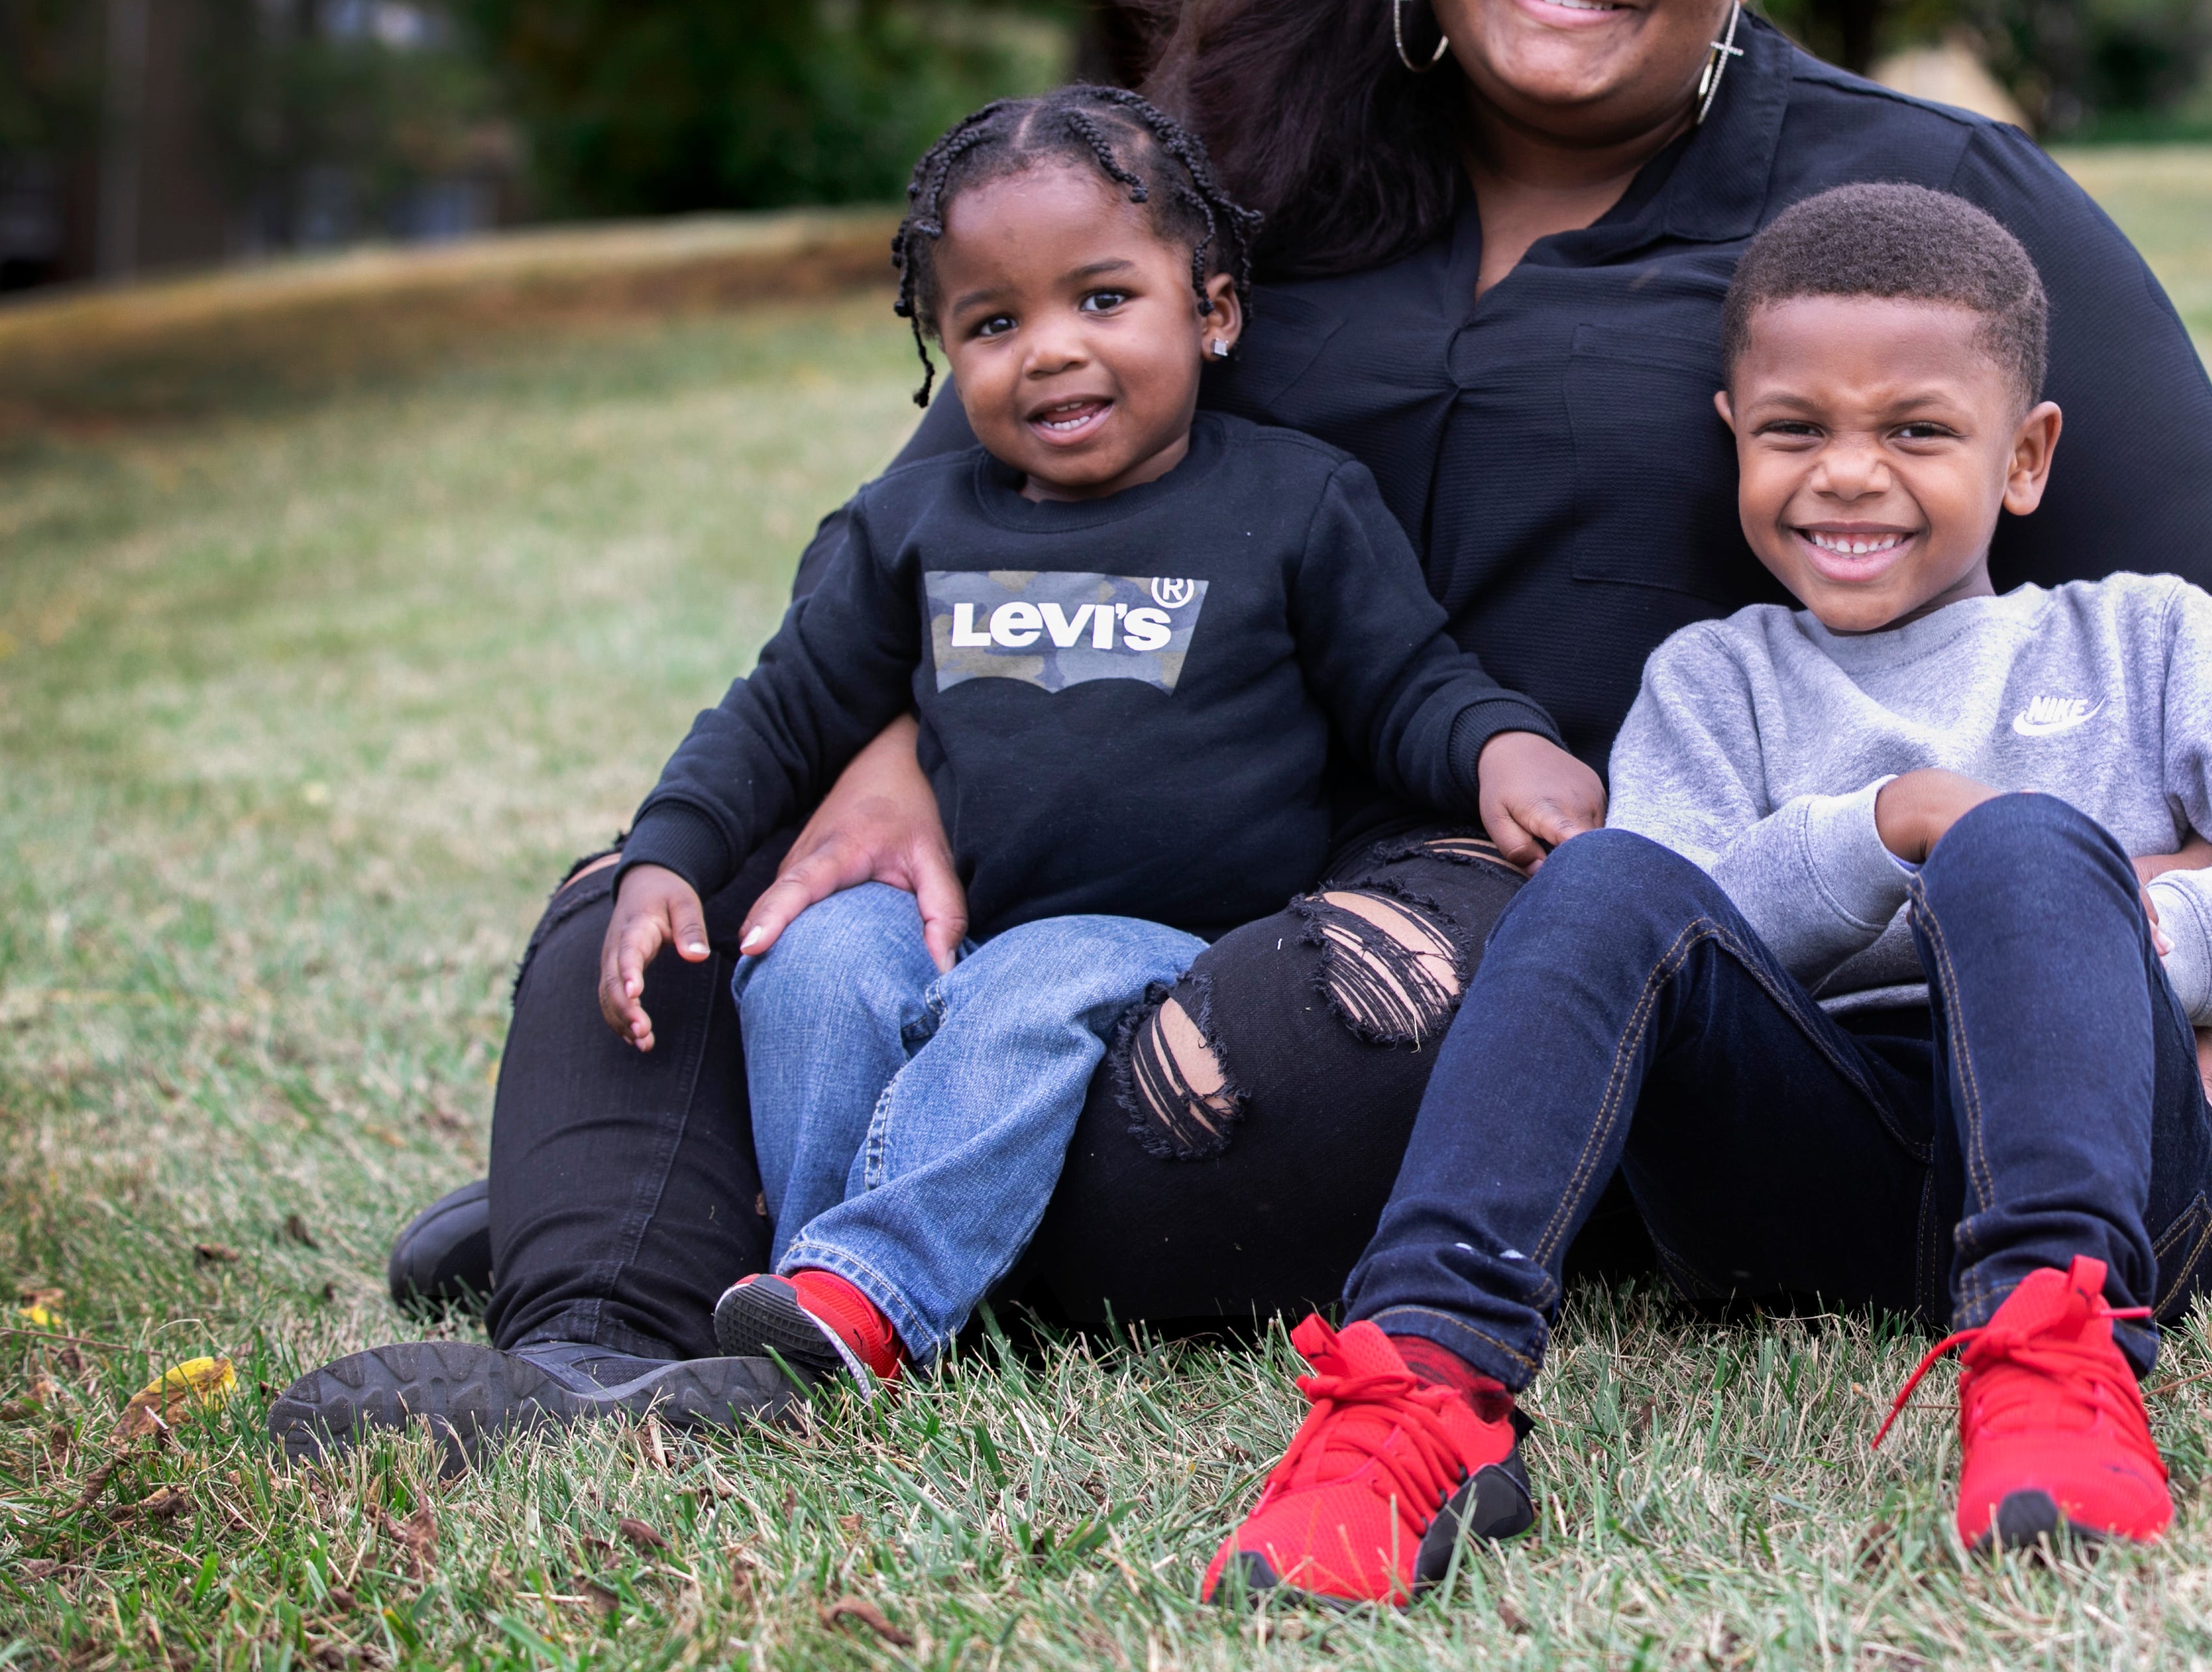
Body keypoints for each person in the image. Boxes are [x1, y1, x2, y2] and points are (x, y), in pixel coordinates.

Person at [278, 0, 2212, 1458]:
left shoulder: (1915, 210)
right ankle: (595, 1344)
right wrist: (913, 728)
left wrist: (2139, 919)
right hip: (1128, 813)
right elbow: (967, 493)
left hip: (1507, 898)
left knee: (1336, 1040)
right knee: (662, 900)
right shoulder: (1252, 157)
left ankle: (714, 1210)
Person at [1203, 184, 2212, 1605]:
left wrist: (2112, 932)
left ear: (2026, 457)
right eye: (1798, 430)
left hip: (2129, 1190)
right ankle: (1426, 1387)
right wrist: (1881, 829)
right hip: (1799, 1177)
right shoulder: (1712, 681)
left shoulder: (2148, 638)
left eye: (1918, 431)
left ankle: (2057, 1357)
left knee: (2024, 845)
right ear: (1737, 438)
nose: (1849, 474)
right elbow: (1674, 940)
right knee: (1611, 874)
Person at [618, 86, 1597, 1387]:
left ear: (1214, 311)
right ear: (944, 354)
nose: (1050, 351)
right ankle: (811, 1292)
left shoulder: (1293, 501)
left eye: (1103, 300)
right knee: (813, 957)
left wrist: (1499, 749)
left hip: (1163, 939)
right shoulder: (914, 526)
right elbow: (780, 712)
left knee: (1028, 994)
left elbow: (1409, 684)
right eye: (993, 322)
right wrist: (665, 853)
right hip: (954, 915)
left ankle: (871, 1301)